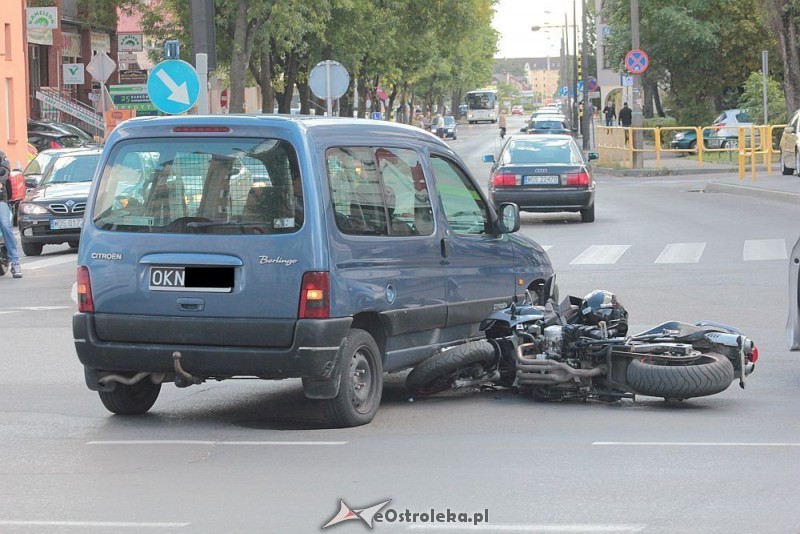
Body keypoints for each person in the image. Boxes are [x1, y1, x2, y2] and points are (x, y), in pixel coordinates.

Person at [0, 151, 21, 278]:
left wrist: (1, 181)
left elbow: (4, 169)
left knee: (5, 225)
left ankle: (15, 261)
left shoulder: (1, 155)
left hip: (0, 200)